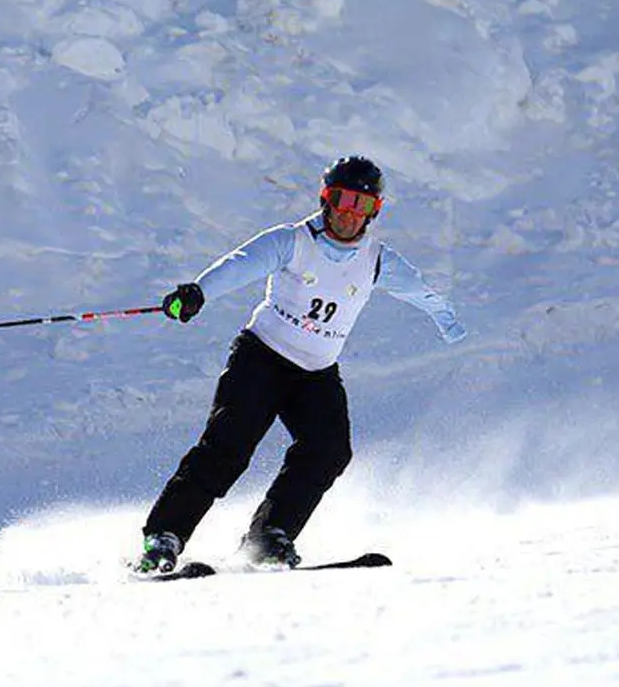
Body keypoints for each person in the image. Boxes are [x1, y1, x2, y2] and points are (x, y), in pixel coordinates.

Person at [135, 155, 467, 573]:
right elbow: (240, 264)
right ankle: (164, 537)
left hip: (315, 374)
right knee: (228, 449)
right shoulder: (292, 241)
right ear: (326, 200)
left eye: (362, 205)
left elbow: (421, 292)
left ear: (374, 212)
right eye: (342, 200)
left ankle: (269, 537)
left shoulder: (378, 260)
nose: (350, 214)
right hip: (261, 359)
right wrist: (198, 293)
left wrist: (448, 321)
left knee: (329, 451)